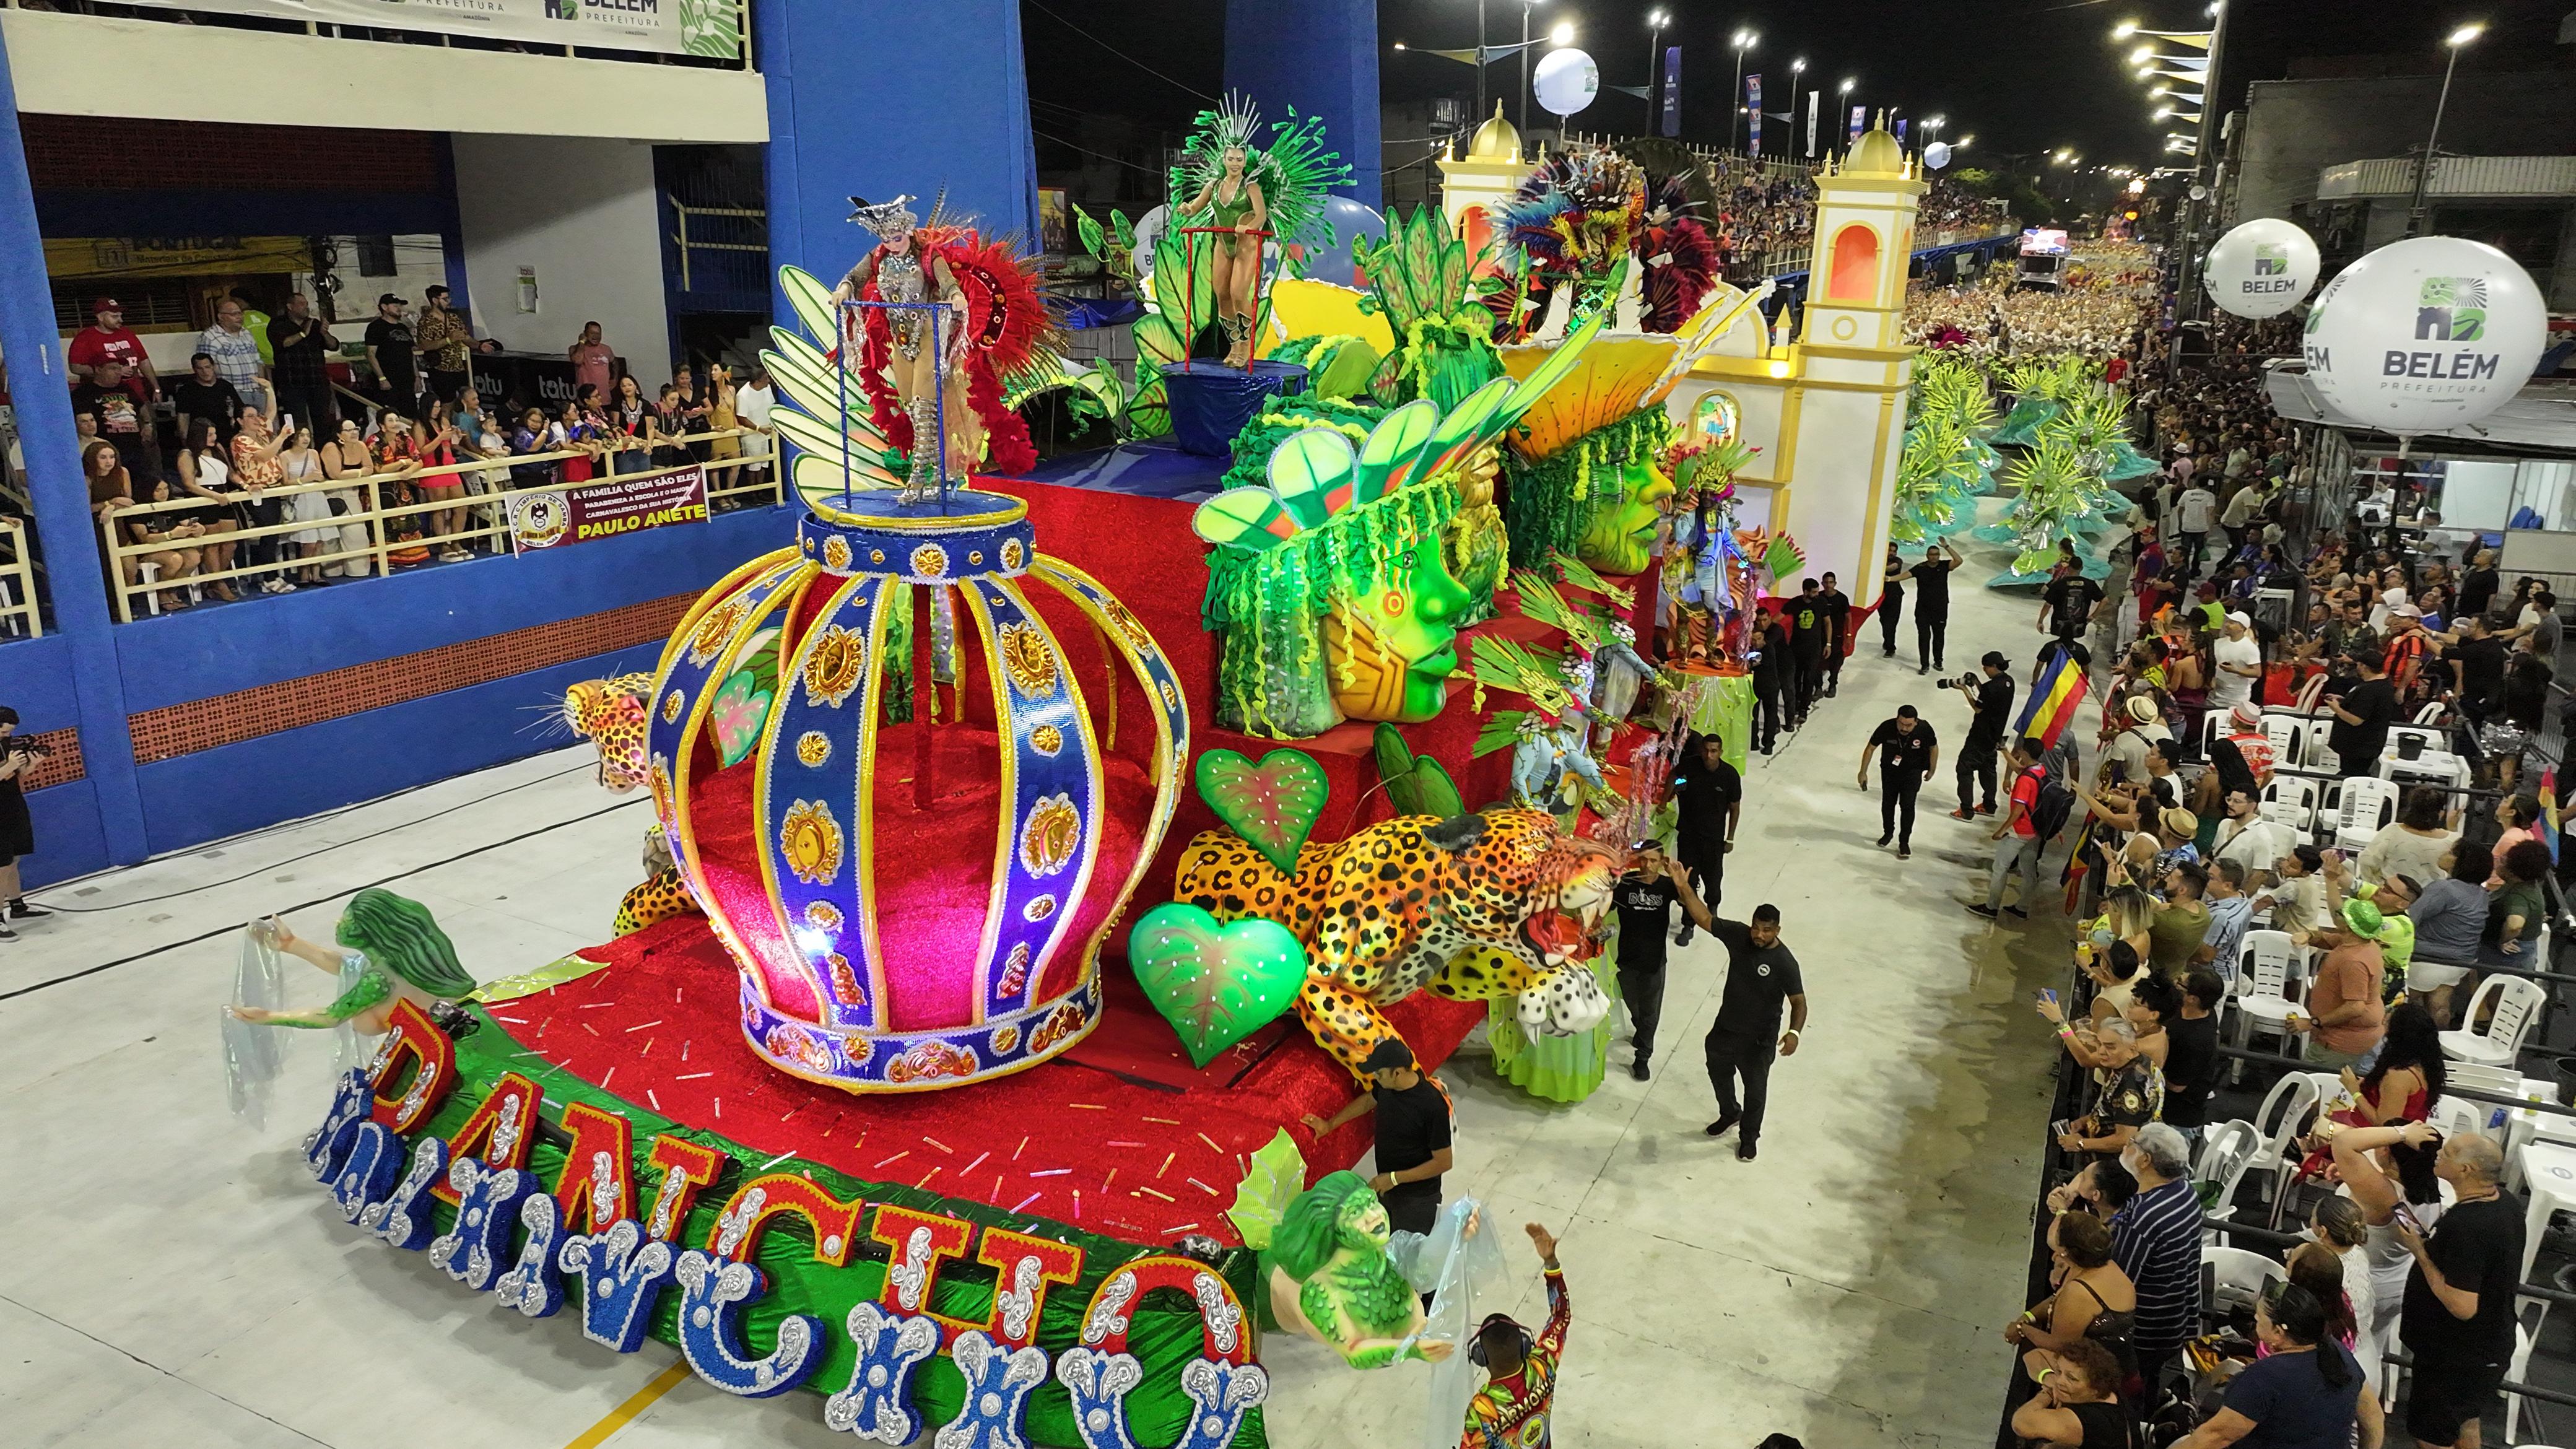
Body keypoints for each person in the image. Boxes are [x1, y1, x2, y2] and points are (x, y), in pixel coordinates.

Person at [2395, 1130, 2525, 1449]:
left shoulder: (2468, 1226)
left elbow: (2463, 1305)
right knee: (2466, 1422)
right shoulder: (2505, 1204)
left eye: (2449, 1153)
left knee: (2432, 1438)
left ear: (2466, 1170)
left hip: (2455, 1357)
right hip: (2482, 1351)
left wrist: (2419, 1250)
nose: (2439, 1153)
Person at [2171, 1282, 2380, 1449]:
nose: (2255, 1321)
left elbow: (2214, 1437)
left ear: (2279, 1332)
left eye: (2258, 1318)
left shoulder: (2264, 1377)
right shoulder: (2338, 1352)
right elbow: (2373, 1419)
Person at [1301, 1038, 1454, 1235]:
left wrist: (1394, 1179)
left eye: (1379, 1074)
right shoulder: (1388, 1087)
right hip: (1387, 1188)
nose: (1376, 1078)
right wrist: (1329, 1124)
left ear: (1397, 1072)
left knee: (1409, 1255)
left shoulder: (1432, 1106)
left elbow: (1444, 1162)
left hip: (1418, 1200)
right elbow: (1367, 1102)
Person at [1702, 903, 1806, 1162]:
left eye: (1767, 931)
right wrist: (1683, 887)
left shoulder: (1785, 963)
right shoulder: (1740, 936)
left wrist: (1794, 1032)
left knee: (1756, 1091)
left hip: (1759, 1040)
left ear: (1777, 930)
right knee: (1718, 1071)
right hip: (1726, 1029)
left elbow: (1799, 1002)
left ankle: (1749, 1138)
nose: (1759, 935)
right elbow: (1705, 918)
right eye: (1756, 928)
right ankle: (1730, 1112)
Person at [2105, 1123, 2202, 1397]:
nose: (2126, 1146)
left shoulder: (2145, 1217)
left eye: (2132, 1143)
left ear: (2145, 1160)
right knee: (2148, 1383)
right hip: (2173, 1321)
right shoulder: (2185, 1192)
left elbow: (2118, 1282)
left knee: (2124, 1393)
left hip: (2143, 1333)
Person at [1462, 1222, 1569, 1449]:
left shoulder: (1482, 1409)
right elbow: (1560, 1316)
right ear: (1524, 1345)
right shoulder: (1544, 1365)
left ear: (1481, 1358)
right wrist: (1551, 1263)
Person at [1608, 847, 1712, 1081]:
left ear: (1661, 862)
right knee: (1632, 1003)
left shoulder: (1667, 887)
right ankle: (1642, 1029)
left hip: (1654, 962)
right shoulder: (1625, 883)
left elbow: (1698, 912)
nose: (1646, 865)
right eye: (1642, 859)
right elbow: (1605, 908)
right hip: (1626, 960)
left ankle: (1643, 1056)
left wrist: (1682, 885)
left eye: (1652, 860)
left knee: (1650, 1012)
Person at [2006, 1211, 2138, 1386]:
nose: (2054, 1257)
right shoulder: (2102, 1266)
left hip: (2102, 1380)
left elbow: (2061, 1345)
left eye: (2059, 1252)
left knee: (2033, 1359)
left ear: (2069, 1253)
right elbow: (2056, 1299)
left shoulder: (2079, 1293)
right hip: (2116, 1364)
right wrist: (2028, 1316)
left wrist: (2023, 1329)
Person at [2287, 900, 2390, 1069]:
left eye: (2344, 914)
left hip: (2339, 1043)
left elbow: (2355, 1007)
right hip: (2351, 1036)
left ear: (2349, 927)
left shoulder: (2353, 962)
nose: (2339, 914)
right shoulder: (2362, 944)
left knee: (2313, 1086)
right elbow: (2329, 939)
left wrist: (2313, 1023)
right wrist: (2309, 935)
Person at [1668, 733, 1741, 946]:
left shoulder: (1729, 775)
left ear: (1721, 752)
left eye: (1714, 751)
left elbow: (1734, 807)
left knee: (1713, 877)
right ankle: (1688, 924)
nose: (1709, 755)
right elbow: (1676, 776)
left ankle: (1713, 912)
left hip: (1714, 839)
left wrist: (1731, 838)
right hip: (1689, 836)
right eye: (1706, 750)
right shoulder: (1690, 766)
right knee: (1688, 881)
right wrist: (1672, 795)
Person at [1972, 736, 2050, 920]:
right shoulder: (2039, 770)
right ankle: (2022, 907)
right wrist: (2004, 751)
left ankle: (1991, 907)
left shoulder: (2025, 782)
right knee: (2029, 870)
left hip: (2020, 831)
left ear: (2024, 752)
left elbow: (2018, 810)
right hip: (2036, 829)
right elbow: (2021, 769)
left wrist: (2002, 830)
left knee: (2000, 868)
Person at [2008, 1339, 2132, 1449]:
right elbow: (2033, 1356)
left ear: (2096, 1388)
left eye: (2072, 1379)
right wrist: (2048, 1378)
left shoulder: (2091, 1421)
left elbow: (2022, 1423)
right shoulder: (2106, 1391)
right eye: (2059, 1371)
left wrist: (2047, 1394)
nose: (2060, 1381)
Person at [1859, 704, 1939, 858]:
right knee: (1888, 803)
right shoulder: (1887, 727)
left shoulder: (1924, 729)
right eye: (1901, 723)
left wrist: (1932, 768)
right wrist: (1863, 772)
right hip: (1890, 771)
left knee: (1908, 806)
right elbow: (1871, 748)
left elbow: (1933, 747)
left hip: (1913, 772)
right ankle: (1888, 832)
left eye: (1908, 725)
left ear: (1916, 722)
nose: (1904, 728)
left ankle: (1904, 842)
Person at [1950, 652, 2016, 821]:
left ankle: (1966, 810)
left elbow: (1979, 708)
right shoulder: (2009, 682)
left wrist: (1964, 689)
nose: (1984, 670)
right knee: (1988, 769)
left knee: (1964, 769)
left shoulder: (1990, 687)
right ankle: (1989, 805)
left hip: (1980, 735)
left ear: (1993, 666)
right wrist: (1978, 683)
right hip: (1995, 735)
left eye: (1986, 667)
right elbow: (1989, 696)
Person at [70, 357, 159, 484]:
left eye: (119, 369)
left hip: (134, 446)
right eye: (113, 369)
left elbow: (142, 406)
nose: (118, 372)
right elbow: (79, 421)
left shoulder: (125, 388)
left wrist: (147, 424)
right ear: (98, 370)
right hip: (105, 449)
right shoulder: (83, 393)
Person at [2160, 970, 2224, 1143]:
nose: (2176, 982)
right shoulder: (2205, 1012)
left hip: (2177, 1120)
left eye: (2181, 984)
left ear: (2193, 999)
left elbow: (2176, 1085)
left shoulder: (2196, 1040)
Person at [0, 707, 48, 935]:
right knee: (1, 865)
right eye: (4, 733)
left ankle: (17, 906)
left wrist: (31, 765)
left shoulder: (8, 745)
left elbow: (18, 775)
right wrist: (8, 766)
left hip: (12, 804)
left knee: (14, 859)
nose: (8, 737)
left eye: (10, 733)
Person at [2357, 788, 2458, 891]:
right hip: (2432, 899)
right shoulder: (2453, 839)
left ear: (2409, 809)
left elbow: (2366, 861)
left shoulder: (2392, 831)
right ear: (2440, 813)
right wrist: (2453, 829)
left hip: (2392, 895)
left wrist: (2375, 887)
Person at [267, 291, 338, 438]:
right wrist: (303, 334)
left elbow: (333, 346)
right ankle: (295, 454)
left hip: (317, 381)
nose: (306, 307)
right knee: (296, 423)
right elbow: (284, 343)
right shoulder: (277, 324)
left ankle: (323, 454)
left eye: (306, 304)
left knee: (323, 423)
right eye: (301, 304)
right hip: (292, 384)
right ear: (290, 306)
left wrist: (325, 333)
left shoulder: (315, 324)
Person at [66, 295, 157, 399]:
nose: (120, 320)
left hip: (135, 392)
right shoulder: (85, 337)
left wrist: (156, 388)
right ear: (100, 317)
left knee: (149, 415)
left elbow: (144, 361)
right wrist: (115, 371)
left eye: (120, 316)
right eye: (115, 317)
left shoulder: (127, 333)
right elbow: (75, 367)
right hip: (103, 396)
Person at [2324, 652, 2397, 780]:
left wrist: (2336, 709)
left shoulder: (2371, 690)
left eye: (2358, 664)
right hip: (2360, 745)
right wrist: (2344, 701)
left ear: (2364, 667)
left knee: (2353, 777)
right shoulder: (2381, 684)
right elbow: (2366, 708)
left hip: (2359, 746)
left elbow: (2356, 720)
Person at [196, 295, 269, 414]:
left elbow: (258, 362)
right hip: (232, 393)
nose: (239, 317)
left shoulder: (247, 335)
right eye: (234, 314)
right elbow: (205, 368)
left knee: (261, 429)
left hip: (256, 391)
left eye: (240, 313)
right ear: (221, 317)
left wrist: (262, 387)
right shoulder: (210, 337)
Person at [415, 285, 473, 404]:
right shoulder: (426, 322)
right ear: (435, 300)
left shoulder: (453, 318)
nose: (449, 302)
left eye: (449, 299)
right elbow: (424, 345)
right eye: (445, 299)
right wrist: (448, 340)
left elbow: (466, 337)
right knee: (447, 403)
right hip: (440, 369)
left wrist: (480, 345)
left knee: (465, 400)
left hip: (458, 367)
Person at [1910, 539, 1962, 674]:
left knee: (1939, 636)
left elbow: (1959, 561)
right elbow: (1905, 575)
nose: (1934, 557)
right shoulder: (1920, 568)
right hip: (1922, 609)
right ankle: (1924, 664)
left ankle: (1938, 661)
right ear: (1927, 556)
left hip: (1940, 609)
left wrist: (1946, 546)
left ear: (1939, 556)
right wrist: (1889, 579)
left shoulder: (1945, 566)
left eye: (1936, 554)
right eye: (1932, 554)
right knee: (1924, 637)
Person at [171, 352, 246, 446]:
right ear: (194, 370)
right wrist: (185, 441)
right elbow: (183, 417)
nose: (205, 372)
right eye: (200, 368)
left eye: (207, 367)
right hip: (203, 438)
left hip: (229, 435)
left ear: (213, 367)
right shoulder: (186, 391)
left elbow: (240, 409)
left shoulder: (225, 386)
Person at [363, 292, 418, 413]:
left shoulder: (403, 328)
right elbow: (371, 354)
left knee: (411, 414)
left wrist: (417, 377)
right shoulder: (375, 327)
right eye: (395, 305)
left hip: (407, 381)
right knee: (391, 414)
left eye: (400, 305)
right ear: (384, 307)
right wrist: (382, 378)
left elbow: (411, 354)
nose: (399, 308)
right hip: (390, 381)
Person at [2039, 561, 2105, 657]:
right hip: (2079, 625)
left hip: (2059, 625)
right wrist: (2093, 616)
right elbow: (2105, 600)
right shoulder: (2089, 584)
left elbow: (2047, 605)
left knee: (2056, 651)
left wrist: (2040, 621)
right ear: (2081, 568)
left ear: (2068, 568)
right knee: (2073, 651)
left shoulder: (2059, 584)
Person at [1786, 579, 1827, 723]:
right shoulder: (1795, 603)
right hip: (1796, 648)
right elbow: (1779, 616)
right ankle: (1797, 703)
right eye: (1814, 592)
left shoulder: (1821, 603)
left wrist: (1828, 644)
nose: (1817, 594)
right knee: (1796, 678)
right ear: (1806, 592)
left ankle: (1804, 708)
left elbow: (1828, 622)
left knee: (1809, 679)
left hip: (1814, 648)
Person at [2210, 611, 2261, 714]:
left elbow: (2257, 672)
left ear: (2242, 628)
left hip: (2236, 698)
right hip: (2214, 694)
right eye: (2227, 622)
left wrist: (2235, 670)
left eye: (2232, 623)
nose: (2227, 625)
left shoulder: (2249, 648)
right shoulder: (2219, 643)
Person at [1816, 570, 1852, 698]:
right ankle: (1818, 687)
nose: (1828, 585)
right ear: (1822, 583)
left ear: (1835, 583)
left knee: (1836, 661)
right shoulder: (1819, 597)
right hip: (1820, 634)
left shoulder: (1842, 598)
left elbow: (1848, 617)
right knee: (1817, 661)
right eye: (1826, 582)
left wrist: (1848, 635)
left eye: (1831, 582)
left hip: (1837, 634)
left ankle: (1832, 684)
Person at [2174, 474, 2217, 578]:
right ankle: (2194, 570)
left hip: (2187, 526)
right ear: (2207, 485)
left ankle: (2184, 571)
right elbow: (2210, 513)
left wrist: (2180, 522)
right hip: (2202, 528)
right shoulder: (2210, 496)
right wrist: (2210, 529)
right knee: (2198, 551)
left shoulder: (2187, 494)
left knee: (2185, 551)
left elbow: (2179, 509)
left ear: (2196, 483)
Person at [568, 320, 616, 401]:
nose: (596, 336)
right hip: (587, 400)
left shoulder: (607, 349)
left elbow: (615, 363)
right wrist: (582, 342)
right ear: (585, 334)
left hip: (604, 398)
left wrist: (615, 379)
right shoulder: (575, 348)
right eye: (592, 333)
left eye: (598, 334)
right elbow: (578, 360)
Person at [1879, 541, 1905, 656]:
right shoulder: (1880, 560)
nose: (1892, 553)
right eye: (1890, 550)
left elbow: (1890, 569)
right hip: (1881, 596)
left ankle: (1891, 647)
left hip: (1895, 596)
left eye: (1894, 551)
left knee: (1891, 622)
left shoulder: (1897, 561)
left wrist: (1877, 566)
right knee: (1884, 620)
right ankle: (1888, 641)